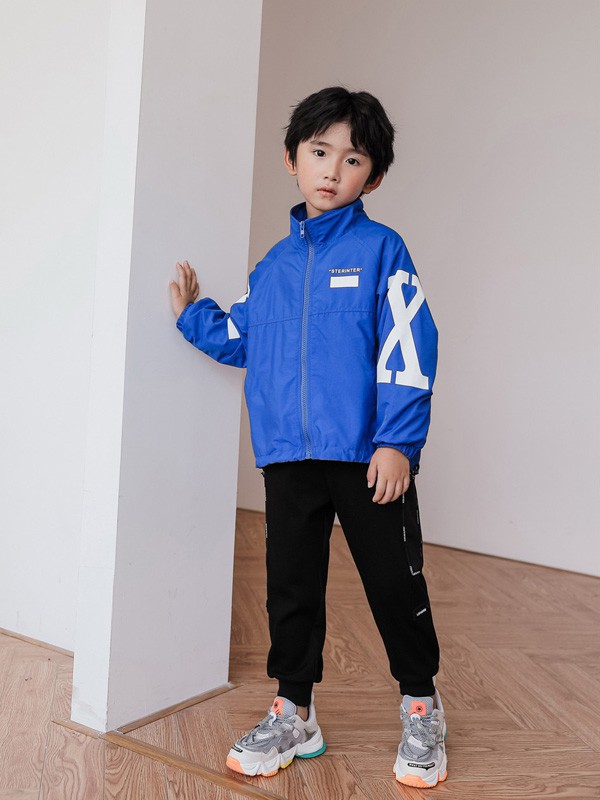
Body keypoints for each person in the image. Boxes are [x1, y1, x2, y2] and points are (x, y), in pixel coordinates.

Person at [169, 87, 447, 789]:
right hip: (288, 457)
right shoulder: (273, 267)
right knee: (291, 588)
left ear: (372, 177)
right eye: (320, 152)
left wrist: (397, 442)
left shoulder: (383, 250)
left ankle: (421, 704)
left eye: (352, 159)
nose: (332, 170)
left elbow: (409, 343)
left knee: (393, 581)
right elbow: (244, 336)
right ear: (292, 158)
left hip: (366, 456)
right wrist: (193, 315)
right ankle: (294, 711)